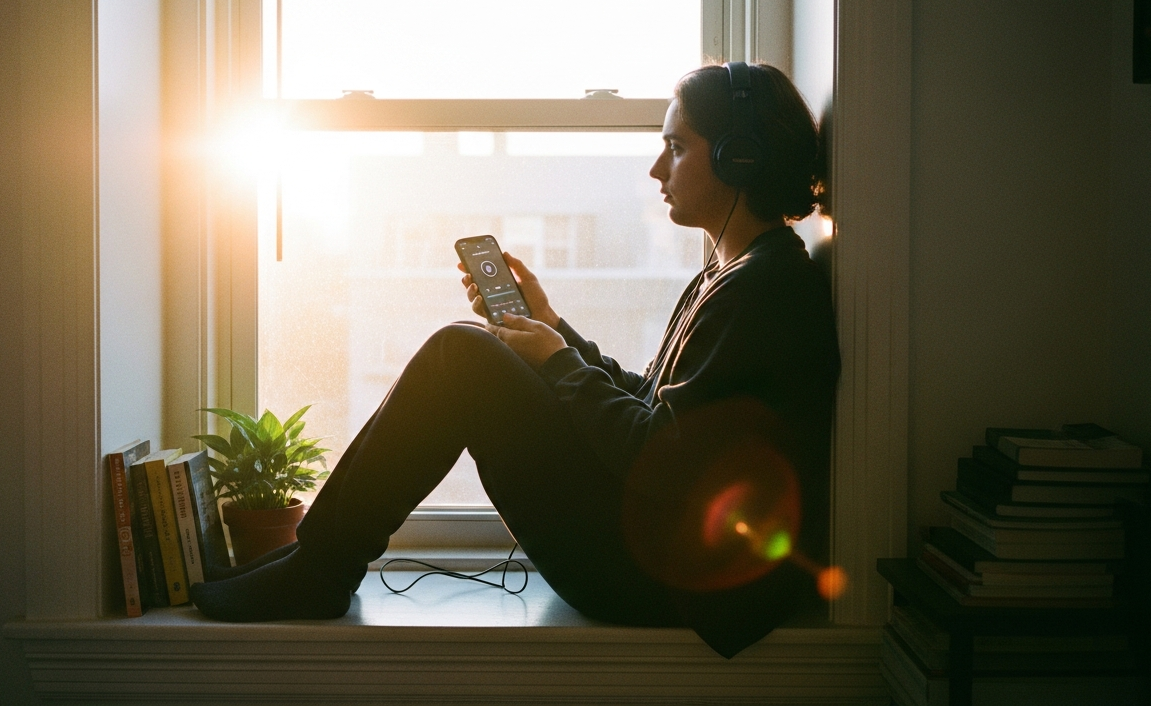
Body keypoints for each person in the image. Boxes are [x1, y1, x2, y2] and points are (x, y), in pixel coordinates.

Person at [190, 62, 840, 658]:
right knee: (472, 351)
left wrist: (556, 360)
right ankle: (315, 559)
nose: (656, 170)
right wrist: (553, 327)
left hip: (666, 579)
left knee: (461, 356)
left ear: (739, 157)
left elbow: (660, 455)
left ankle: (319, 569)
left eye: (676, 147)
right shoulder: (729, 276)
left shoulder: (768, 288)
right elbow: (651, 405)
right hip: (657, 551)